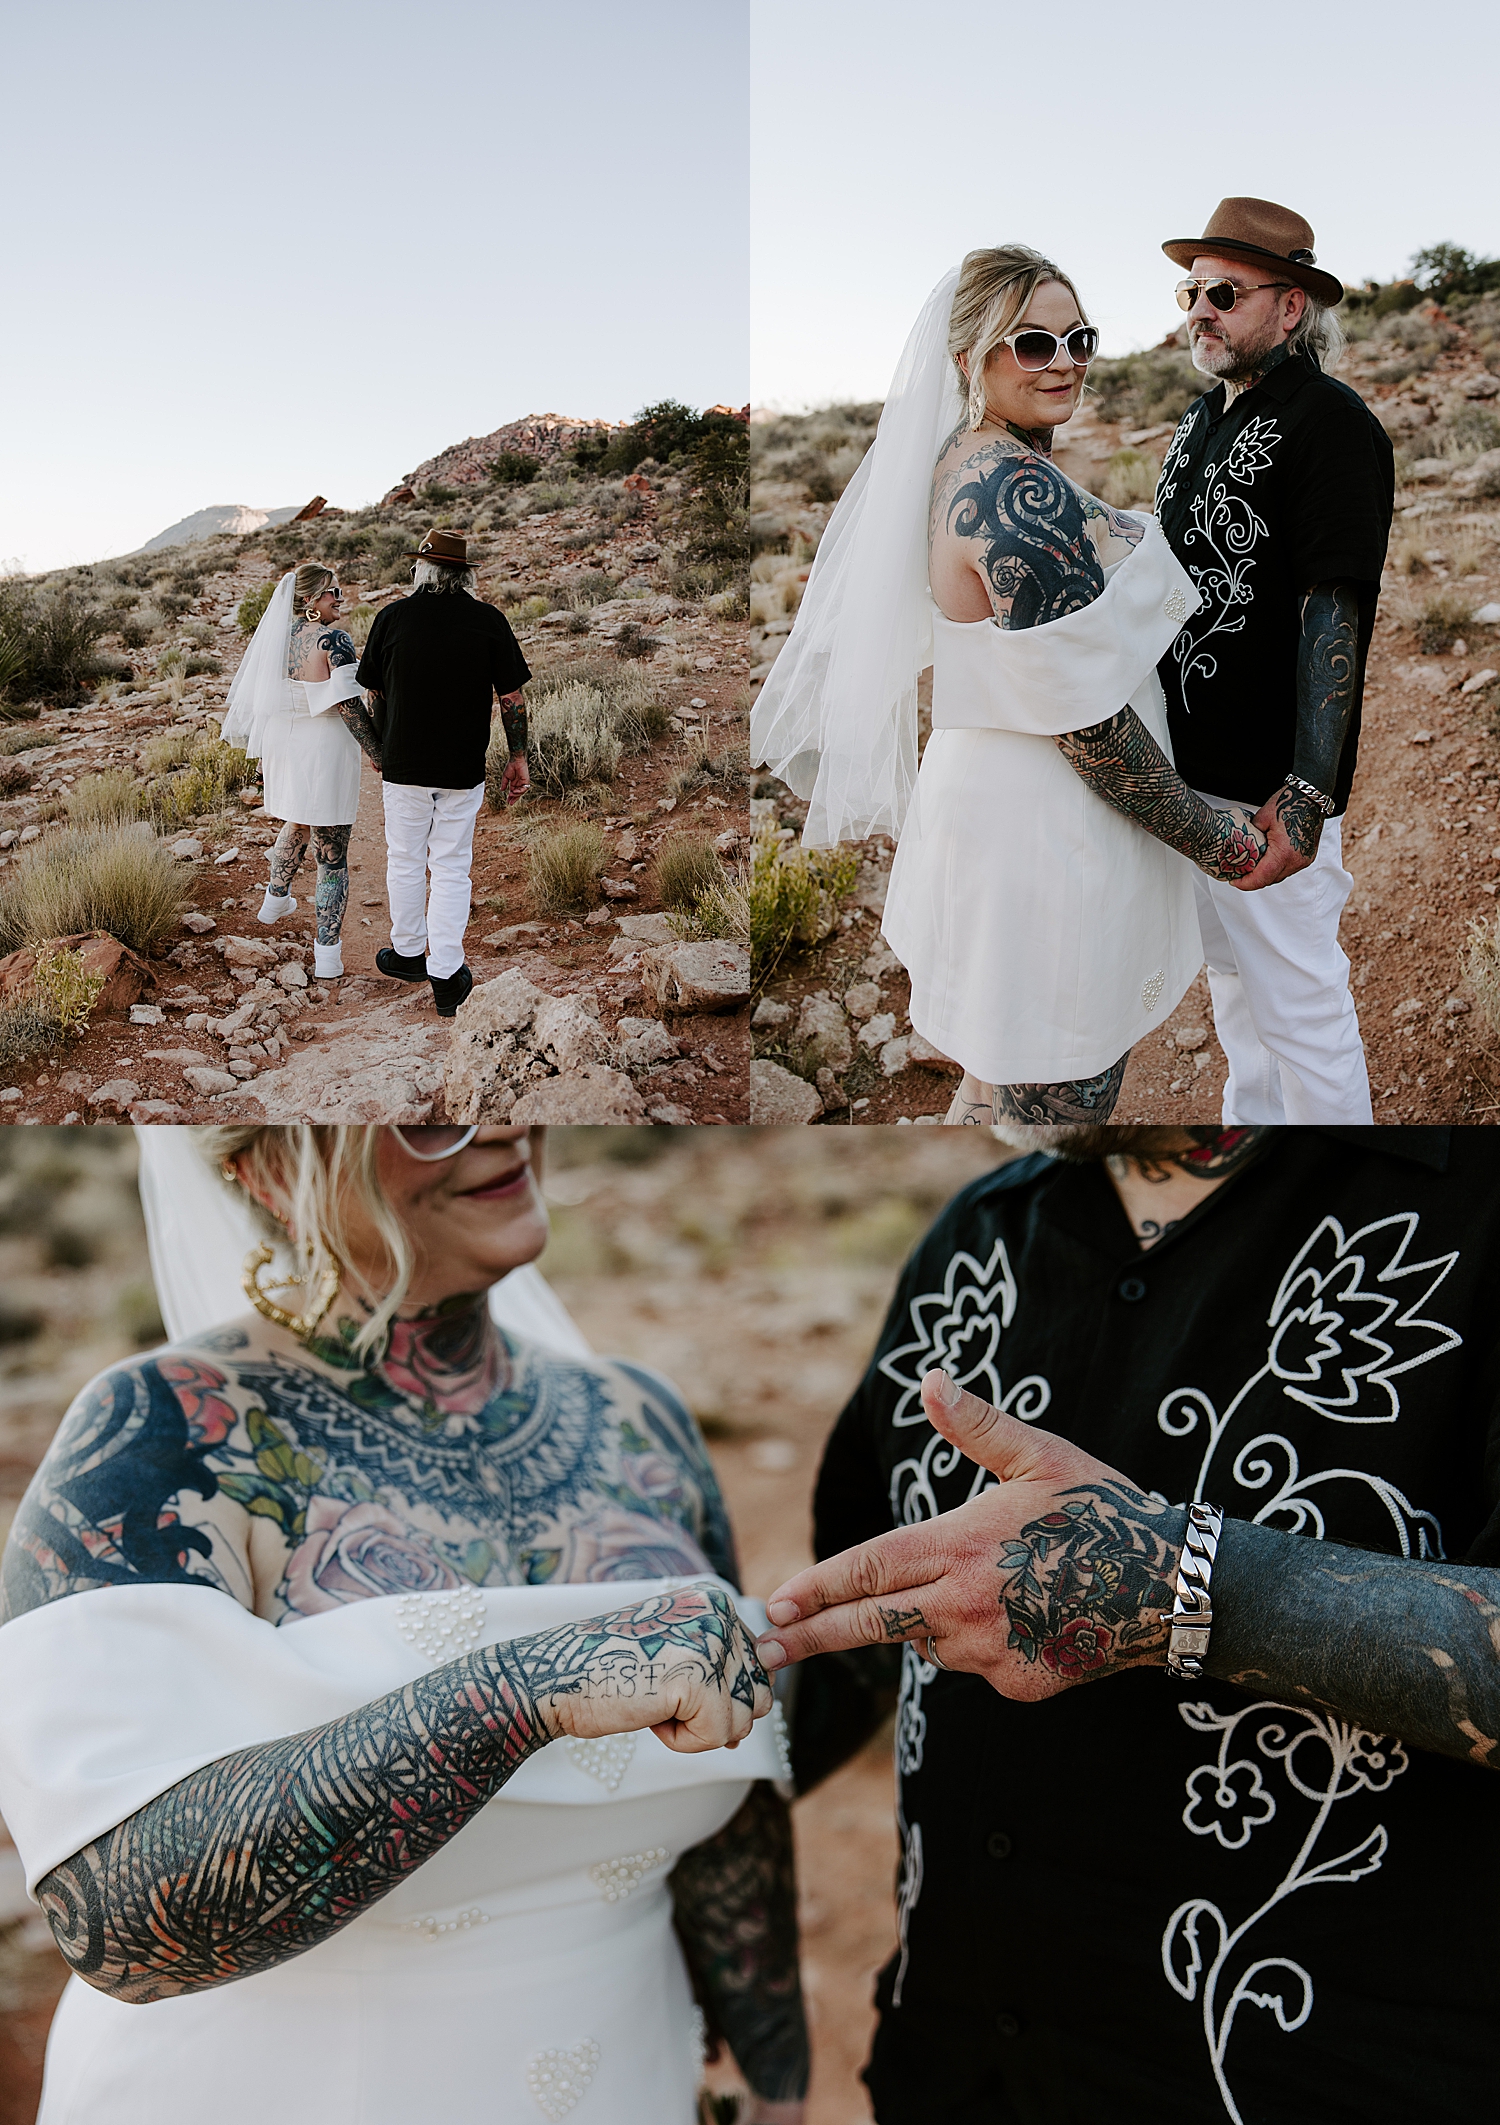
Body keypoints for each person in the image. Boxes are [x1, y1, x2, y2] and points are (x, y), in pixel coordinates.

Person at [0, 1124, 808, 2125]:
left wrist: (777, 2068)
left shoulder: (639, 1420)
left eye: (500, 1079)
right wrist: (525, 1691)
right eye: (426, 1111)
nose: (505, 1121)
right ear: (271, 1166)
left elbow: (731, 1781)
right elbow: (112, 1915)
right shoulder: (165, 1434)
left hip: (622, 2072)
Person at [757, 1124, 1500, 2125]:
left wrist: (1174, 1582)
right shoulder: (975, 1238)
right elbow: (866, 1649)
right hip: (959, 2079)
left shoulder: (1477, 1212)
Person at [752, 248, 1276, 1128]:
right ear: (970, 359)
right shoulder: (1007, 493)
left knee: (1003, 1082)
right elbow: (1090, 725)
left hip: (1001, 810)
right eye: (1032, 344)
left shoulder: (971, 458)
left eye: (1079, 338)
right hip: (1047, 841)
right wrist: (1216, 840)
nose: (1065, 360)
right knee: (1059, 1117)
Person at [1154, 199, 1395, 1123]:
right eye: (1191, 290)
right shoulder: (1197, 417)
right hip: (1189, 787)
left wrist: (1307, 790)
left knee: (1303, 1013)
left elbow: (1335, 606)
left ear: (1290, 307)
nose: (1198, 311)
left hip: (1268, 792)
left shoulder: (1330, 423)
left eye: (1223, 291)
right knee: (1236, 1003)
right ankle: (1250, 1174)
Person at [356, 531, 532, 1019]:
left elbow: (377, 693)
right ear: (466, 575)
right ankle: (448, 976)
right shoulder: (488, 620)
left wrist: (381, 746)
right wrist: (518, 756)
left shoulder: (392, 617)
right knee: (452, 865)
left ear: (423, 572)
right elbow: (512, 698)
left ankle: (409, 953)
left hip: (405, 764)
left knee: (405, 858)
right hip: (462, 766)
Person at [221, 562, 384, 983]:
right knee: (332, 854)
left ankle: (275, 898)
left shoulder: (279, 638)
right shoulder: (334, 640)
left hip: (285, 742)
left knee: (298, 817)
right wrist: (377, 751)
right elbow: (348, 705)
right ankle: (328, 954)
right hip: (323, 747)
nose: (340, 599)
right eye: (333, 593)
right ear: (312, 601)